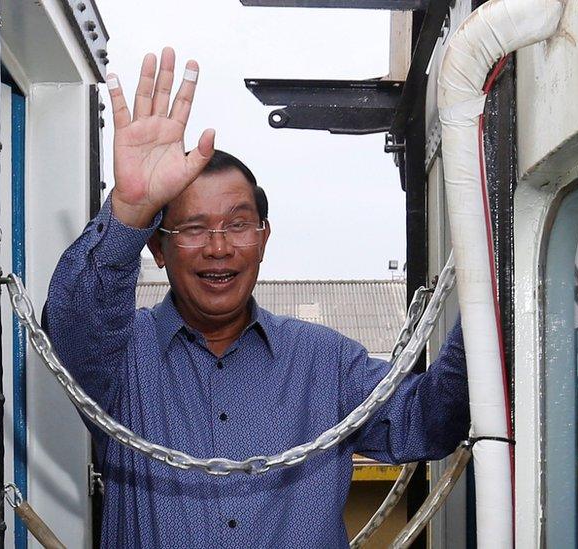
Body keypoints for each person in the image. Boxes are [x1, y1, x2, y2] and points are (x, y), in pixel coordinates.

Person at [43, 47, 468, 548]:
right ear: (158, 248)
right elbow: (69, 324)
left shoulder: (325, 362)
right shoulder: (119, 361)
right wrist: (130, 210)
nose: (219, 247)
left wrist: (489, 301)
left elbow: (428, 421)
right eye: (194, 229)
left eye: (238, 224)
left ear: (264, 239)